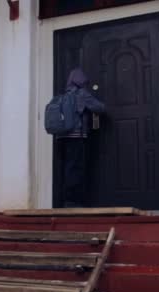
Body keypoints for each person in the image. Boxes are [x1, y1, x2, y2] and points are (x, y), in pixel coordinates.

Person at [58, 68, 106, 208]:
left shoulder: (63, 96)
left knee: (67, 168)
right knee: (76, 168)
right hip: (77, 136)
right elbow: (100, 108)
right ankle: (73, 202)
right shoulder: (82, 94)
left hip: (61, 137)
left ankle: (65, 199)